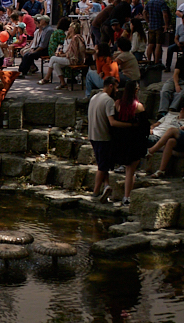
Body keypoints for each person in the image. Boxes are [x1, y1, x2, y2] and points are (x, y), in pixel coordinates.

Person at [107, 79, 146, 207]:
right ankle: (127, 197)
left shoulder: (118, 104)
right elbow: (144, 127)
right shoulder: (138, 107)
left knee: (128, 168)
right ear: (136, 91)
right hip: (133, 141)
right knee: (131, 171)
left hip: (120, 141)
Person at [87, 74, 119, 203]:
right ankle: (95, 192)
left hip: (92, 135)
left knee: (103, 162)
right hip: (103, 137)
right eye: (116, 88)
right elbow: (112, 122)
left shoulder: (94, 97)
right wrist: (131, 125)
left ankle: (106, 185)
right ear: (110, 86)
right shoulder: (109, 101)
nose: (117, 91)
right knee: (102, 166)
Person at [43, 22, 85, 87]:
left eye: (70, 27)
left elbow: (72, 53)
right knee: (55, 64)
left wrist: (61, 55)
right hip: (69, 58)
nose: (68, 28)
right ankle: (63, 83)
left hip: (73, 60)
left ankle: (47, 78)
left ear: (73, 29)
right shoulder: (71, 37)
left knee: (53, 58)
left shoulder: (75, 38)